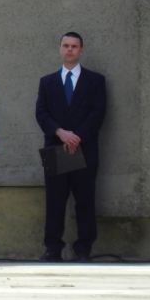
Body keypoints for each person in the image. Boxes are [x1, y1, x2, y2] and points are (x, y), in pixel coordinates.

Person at [36, 32, 106, 262]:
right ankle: (52, 248)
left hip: (84, 148)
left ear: (81, 50)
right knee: (55, 201)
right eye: (66, 45)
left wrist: (77, 137)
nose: (69, 49)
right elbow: (41, 113)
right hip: (56, 148)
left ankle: (83, 248)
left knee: (85, 200)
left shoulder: (95, 81)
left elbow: (98, 113)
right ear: (60, 49)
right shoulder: (47, 82)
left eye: (74, 46)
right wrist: (60, 133)